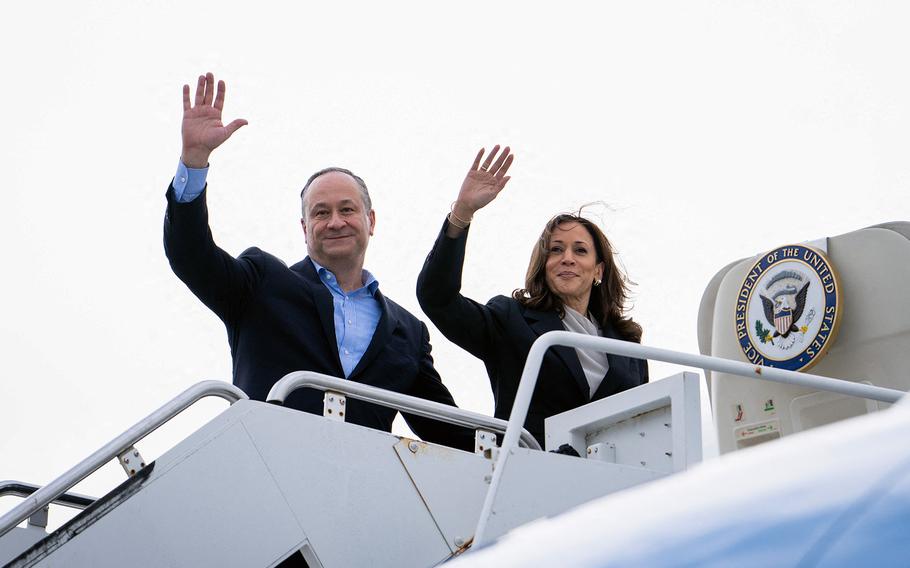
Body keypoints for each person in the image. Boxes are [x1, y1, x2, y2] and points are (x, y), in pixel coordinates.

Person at [164, 72, 471, 452]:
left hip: (361, 491)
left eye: (347, 209)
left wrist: (531, 450)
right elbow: (190, 255)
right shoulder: (262, 282)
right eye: (321, 213)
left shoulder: (408, 332)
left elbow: (450, 430)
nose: (336, 221)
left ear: (370, 221)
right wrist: (194, 163)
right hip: (268, 473)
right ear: (304, 227)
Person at [417, 146, 649, 447]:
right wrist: (462, 214)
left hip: (611, 485)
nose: (567, 258)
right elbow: (438, 299)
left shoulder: (628, 347)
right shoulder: (510, 320)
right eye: (556, 249)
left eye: (580, 250)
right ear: (544, 265)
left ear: (598, 271)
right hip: (529, 475)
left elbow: (645, 425)